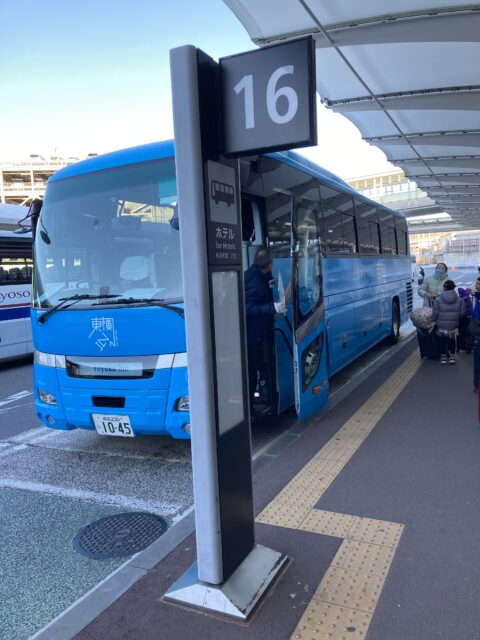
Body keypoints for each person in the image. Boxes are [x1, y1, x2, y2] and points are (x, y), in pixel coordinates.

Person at [244, 247, 285, 412]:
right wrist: (272, 307)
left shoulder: (256, 275)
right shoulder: (254, 282)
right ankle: (251, 408)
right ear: (269, 264)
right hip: (254, 336)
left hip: (259, 333)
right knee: (253, 372)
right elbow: (248, 309)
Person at [432, 279, 464, 364]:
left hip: (441, 325)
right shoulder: (460, 300)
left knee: (442, 340)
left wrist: (434, 320)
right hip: (453, 325)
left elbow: (435, 313)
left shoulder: (438, 299)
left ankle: (443, 357)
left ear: (444, 288)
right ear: (453, 288)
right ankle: (452, 357)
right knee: (452, 340)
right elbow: (462, 313)